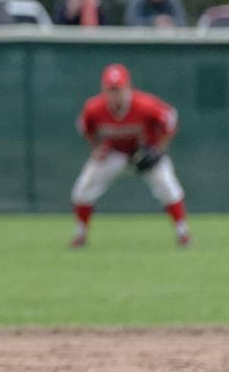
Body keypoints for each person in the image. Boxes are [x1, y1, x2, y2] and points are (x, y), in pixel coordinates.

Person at [71, 63, 190, 249]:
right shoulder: (94, 108)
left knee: (169, 187)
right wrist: (96, 148)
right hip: (113, 153)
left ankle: (183, 233)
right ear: (103, 89)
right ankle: (80, 235)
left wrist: (159, 149)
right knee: (82, 190)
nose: (114, 94)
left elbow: (171, 119)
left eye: (118, 89)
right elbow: (85, 128)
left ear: (128, 87)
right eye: (110, 89)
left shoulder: (145, 104)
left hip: (145, 152)